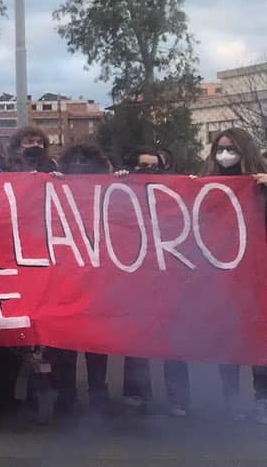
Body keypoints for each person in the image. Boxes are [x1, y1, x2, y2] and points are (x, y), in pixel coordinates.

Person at [201, 128, 267, 423]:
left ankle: (262, 399)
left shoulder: (262, 182)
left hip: (259, 272)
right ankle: (230, 400)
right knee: (228, 337)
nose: (225, 155)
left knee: (260, 336)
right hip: (223, 275)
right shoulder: (207, 182)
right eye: (220, 148)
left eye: (231, 149)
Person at [119, 146, 191, 417]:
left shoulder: (177, 194)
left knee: (173, 340)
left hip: (169, 278)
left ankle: (178, 398)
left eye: (154, 166)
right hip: (134, 276)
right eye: (142, 166)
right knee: (135, 339)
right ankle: (136, 394)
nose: (148, 172)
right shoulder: (122, 192)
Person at [54, 143, 114, 413]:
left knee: (96, 340)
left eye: (85, 160)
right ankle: (67, 392)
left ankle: (98, 391)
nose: (79, 165)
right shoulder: (53, 190)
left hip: (99, 278)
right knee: (66, 340)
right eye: (74, 160)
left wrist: (123, 182)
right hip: (65, 276)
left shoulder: (111, 193)